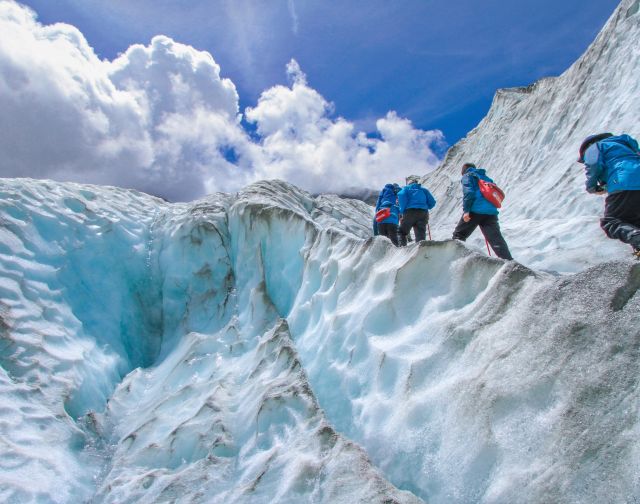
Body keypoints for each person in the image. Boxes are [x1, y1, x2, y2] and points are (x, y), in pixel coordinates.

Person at [578, 133, 640, 256]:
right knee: (633, 221)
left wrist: (592, 187)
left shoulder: (595, 146)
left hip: (624, 182)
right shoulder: (626, 146)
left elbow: (593, 164)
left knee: (611, 222)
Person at [452, 163, 513, 260]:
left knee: (459, 235)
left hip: (475, 210)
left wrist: (467, 211)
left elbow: (469, 193)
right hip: (491, 212)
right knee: (496, 239)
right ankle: (509, 261)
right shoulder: (486, 178)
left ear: (463, 171)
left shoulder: (467, 176)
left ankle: (454, 258)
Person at [397, 175, 436, 246]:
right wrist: (427, 206)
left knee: (401, 232)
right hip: (423, 213)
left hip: (409, 212)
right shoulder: (424, 190)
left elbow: (401, 196)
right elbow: (432, 202)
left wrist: (401, 210)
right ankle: (421, 251)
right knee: (420, 236)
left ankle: (401, 249)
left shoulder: (406, 189)